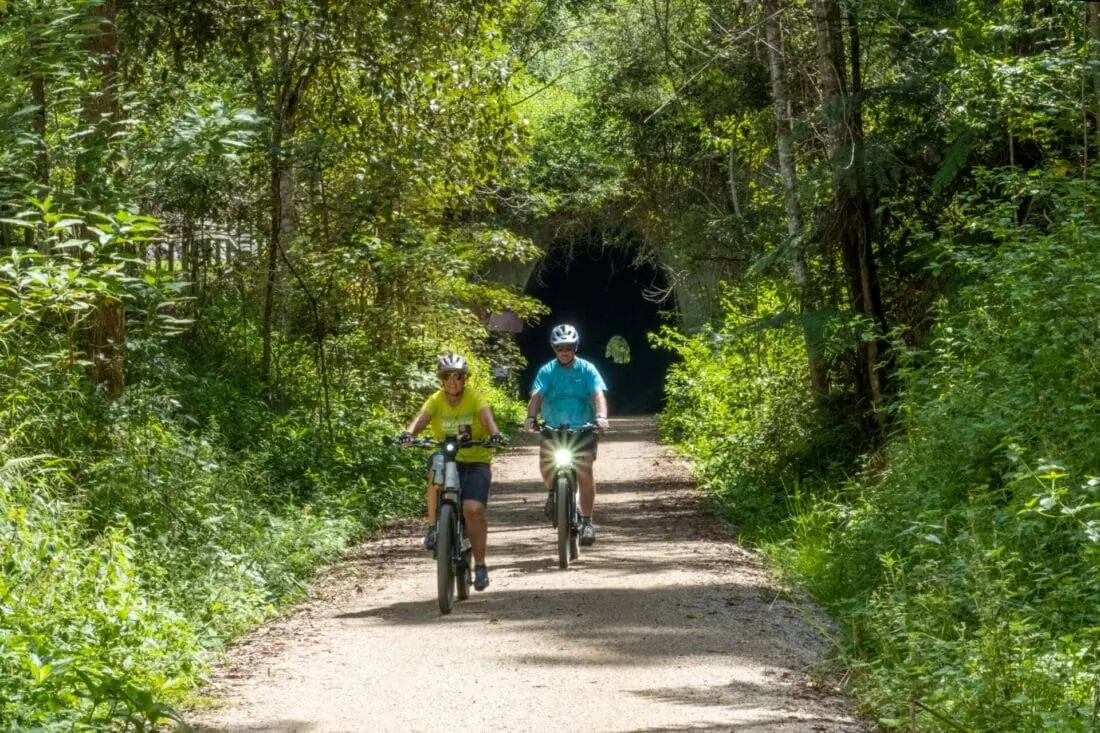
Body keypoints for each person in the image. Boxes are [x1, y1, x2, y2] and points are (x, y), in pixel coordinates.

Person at [401, 354, 505, 591]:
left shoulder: (475, 397)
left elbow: (487, 418)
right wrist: (409, 434)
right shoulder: (436, 399)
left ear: (464, 379)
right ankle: (432, 527)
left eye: (457, 377)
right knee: (434, 466)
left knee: (473, 509)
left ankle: (480, 565)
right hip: (447, 457)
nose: (452, 382)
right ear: (442, 380)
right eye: (448, 377)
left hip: (476, 459)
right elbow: (421, 418)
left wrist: (494, 434)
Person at [523, 324, 609, 546]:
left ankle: (588, 521)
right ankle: (553, 493)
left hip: (583, 427)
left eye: (568, 348)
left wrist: (601, 416)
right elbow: (537, 396)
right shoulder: (547, 370)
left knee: (584, 470)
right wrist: (530, 417)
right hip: (554, 427)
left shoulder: (587, 369)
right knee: (546, 465)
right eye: (560, 348)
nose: (564, 352)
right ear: (554, 349)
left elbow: (598, 394)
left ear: (575, 348)